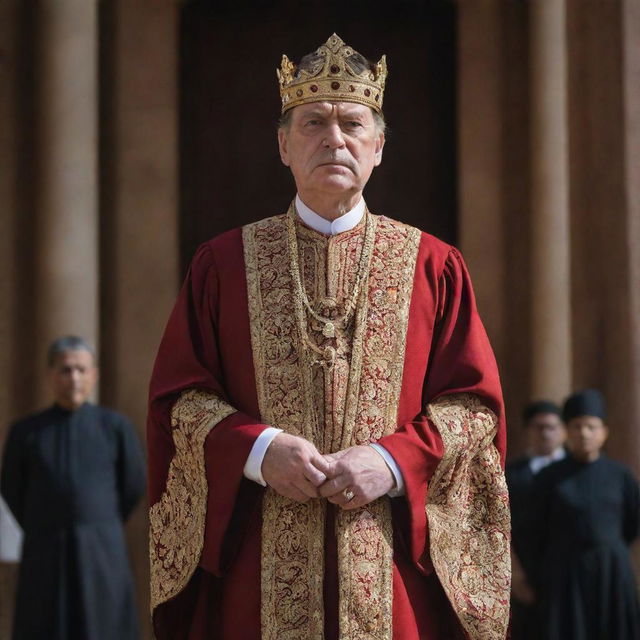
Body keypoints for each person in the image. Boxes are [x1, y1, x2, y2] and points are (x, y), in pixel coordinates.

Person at [148, 34, 510, 640]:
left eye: (352, 124)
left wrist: (390, 462)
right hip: (256, 571)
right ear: (283, 145)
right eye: (313, 123)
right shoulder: (224, 264)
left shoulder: (433, 266)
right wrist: (261, 452)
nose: (333, 139)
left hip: (390, 569)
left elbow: (474, 409)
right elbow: (179, 403)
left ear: (379, 146)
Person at [1, 335, 145, 640]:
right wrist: (44, 522)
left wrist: (98, 521)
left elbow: (133, 484)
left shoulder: (115, 428)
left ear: (94, 374)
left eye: (81, 370)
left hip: (102, 551)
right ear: (51, 374)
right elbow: (12, 487)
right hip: (45, 550)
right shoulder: (26, 432)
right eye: (66, 370)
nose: (74, 378)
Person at [529, 389, 640, 640]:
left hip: (611, 571)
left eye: (591, 426)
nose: (584, 433)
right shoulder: (549, 477)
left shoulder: (620, 476)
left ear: (604, 432)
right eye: (577, 426)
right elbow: (535, 527)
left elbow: (632, 524)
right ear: (567, 432)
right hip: (564, 575)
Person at [506, 401, 566, 639]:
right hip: (524, 572)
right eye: (539, 427)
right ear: (528, 431)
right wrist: (516, 574)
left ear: (563, 430)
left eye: (552, 427)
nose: (546, 434)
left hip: (567, 573)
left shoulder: (577, 470)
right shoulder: (511, 472)